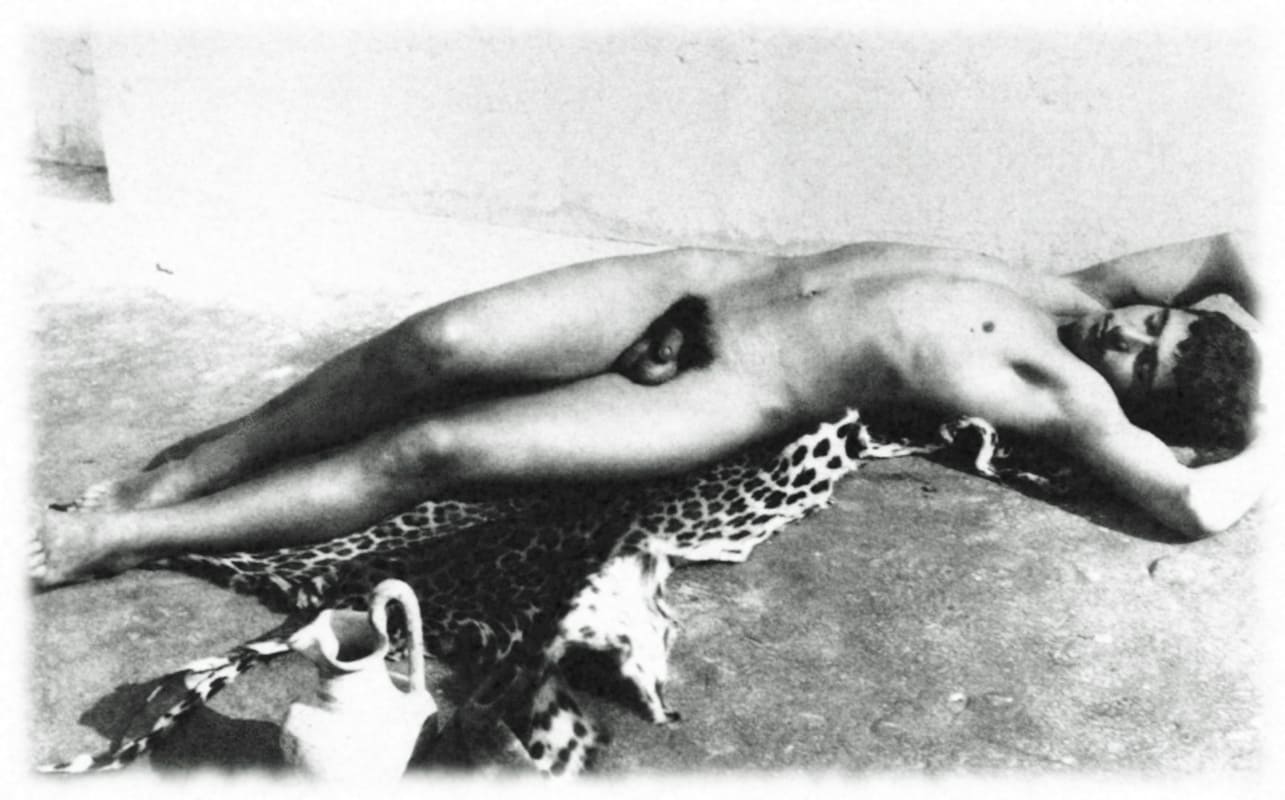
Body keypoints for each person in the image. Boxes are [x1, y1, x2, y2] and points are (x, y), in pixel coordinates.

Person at [30, 232, 1265, 589]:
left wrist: (1268, 435)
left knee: (434, 446)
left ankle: (118, 537)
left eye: (1145, 360)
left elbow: (1191, 507)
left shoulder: (1067, 392)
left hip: (729, 388)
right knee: (434, 344)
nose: (1128, 334)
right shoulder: (1079, 292)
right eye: (1154, 322)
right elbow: (1237, 243)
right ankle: (182, 467)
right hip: (693, 283)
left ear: (1137, 402)